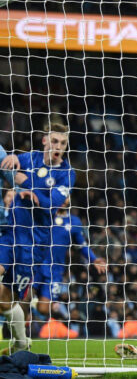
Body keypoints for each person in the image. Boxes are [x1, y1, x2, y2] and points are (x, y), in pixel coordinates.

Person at [0, 123, 75, 353]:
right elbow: (10, 163)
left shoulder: (67, 173)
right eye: (54, 141)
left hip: (35, 243)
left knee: (6, 300)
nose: (58, 147)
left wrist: (27, 184)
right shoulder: (30, 157)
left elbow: (53, 202)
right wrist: (12, 156)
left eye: (62, 143)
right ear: (44, 141)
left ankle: (21, 342)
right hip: (11, 233)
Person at [31, 199, 106, 323]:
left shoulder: (74, 221)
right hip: (36, 265)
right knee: (24, 297)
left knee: (43, 309)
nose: (64, 200)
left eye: (66, 196)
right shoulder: (44, 214)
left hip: (55, 270)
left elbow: (81, 245)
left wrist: (93, 259)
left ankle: (32, 307)